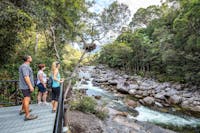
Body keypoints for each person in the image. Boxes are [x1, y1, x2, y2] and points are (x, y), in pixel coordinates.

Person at [19, 55, 38, 121]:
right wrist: (30, 86)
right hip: (26, 86)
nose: (31, 58)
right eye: (30, 57)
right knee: (27, 99)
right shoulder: (25, 67)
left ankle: (23, 110)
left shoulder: (24, 66)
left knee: (25, 99)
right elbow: (26, 77)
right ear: (27, 59)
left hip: (24, 86)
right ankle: (27, 116)